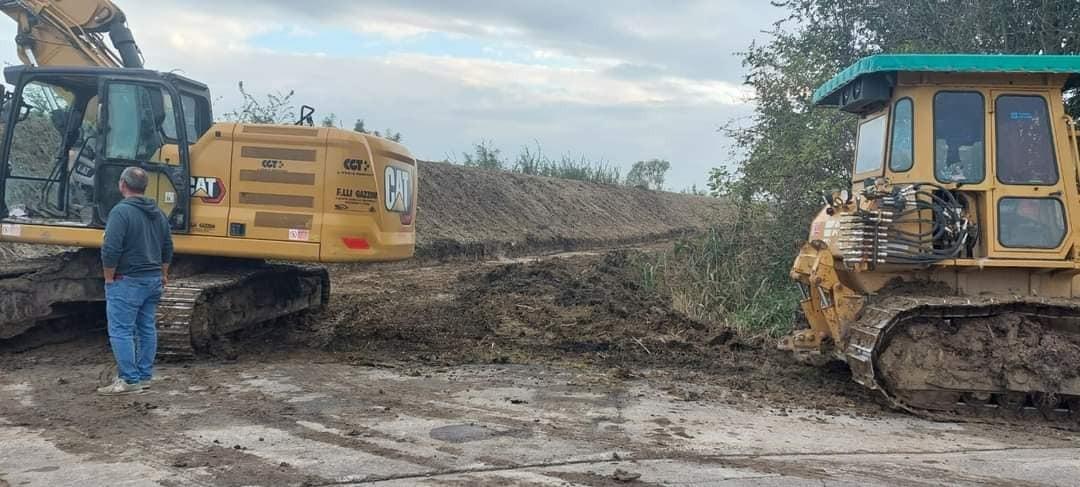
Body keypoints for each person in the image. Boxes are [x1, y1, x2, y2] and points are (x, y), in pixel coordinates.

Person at [96, 167, 174, 396]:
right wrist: (164, 272)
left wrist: (109, 276)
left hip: (128, 281)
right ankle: (144, 375)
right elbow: (168, 247)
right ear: (144, 187)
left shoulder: (121, 213)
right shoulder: (158, 213)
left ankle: (129, 380)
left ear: (122, 184)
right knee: (146, 328)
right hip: (152, 280)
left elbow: (111, 248)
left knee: (121, 330)